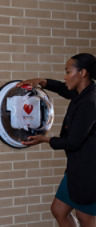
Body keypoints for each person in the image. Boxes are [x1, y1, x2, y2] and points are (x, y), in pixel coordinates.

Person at [17, 53, 96, 227]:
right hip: (76, 168)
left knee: (86, 219)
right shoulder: (82, 92)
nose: (65, 76)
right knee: (58, 210)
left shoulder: (90, 102)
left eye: (68, 72)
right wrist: (44, 81)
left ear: (82, 73)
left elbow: (73, 142)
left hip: (89, 173)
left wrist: (45, 139)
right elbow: (64, 89)